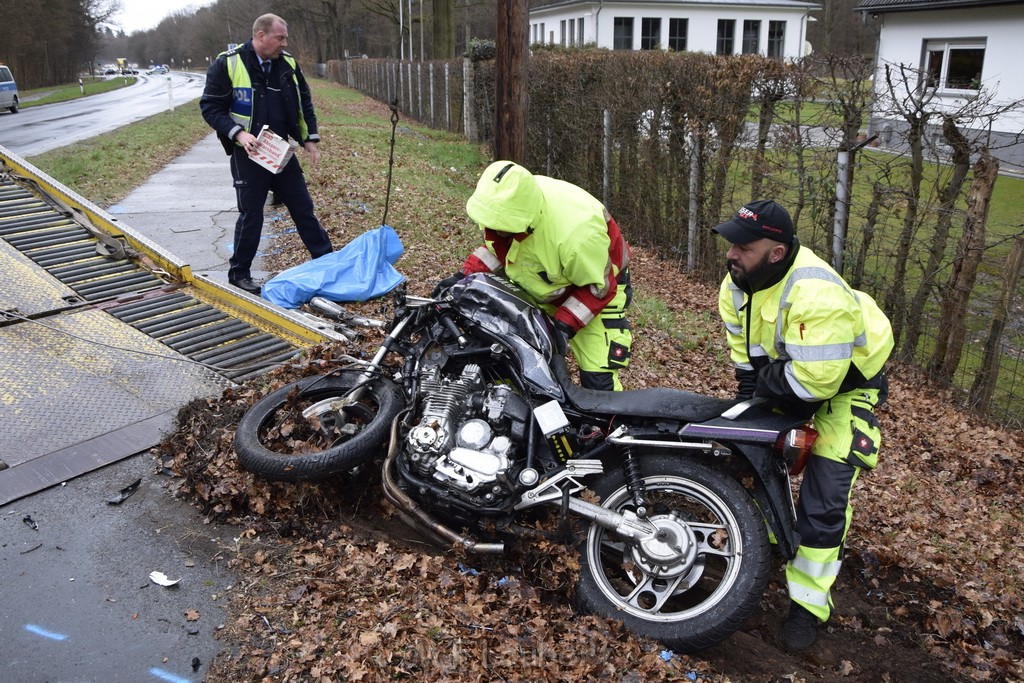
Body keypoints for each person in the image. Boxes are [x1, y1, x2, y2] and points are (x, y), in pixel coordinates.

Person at [711, 199, 894, 653]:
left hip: (846, 382)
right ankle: (766, 534)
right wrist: (749, 410)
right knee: (752, 453)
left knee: (825, 498)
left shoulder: (817, 294)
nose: (731, 253)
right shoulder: (736, 283)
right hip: (793, 374)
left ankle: (808, 606)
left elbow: (813, 386)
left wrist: (769, 383)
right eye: (731, 242)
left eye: (744, 246)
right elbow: (746, 362)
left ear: (776, 252)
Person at [436, 161, 633, 391]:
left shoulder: (577, 236)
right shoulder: (508, 200)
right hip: (540, 283)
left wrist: (562, 326)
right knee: (514, 363)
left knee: (598, 382)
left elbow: (599, 288)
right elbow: (498, 249)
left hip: (595, 289)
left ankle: (609, 426)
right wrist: (462, 276)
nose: (492, 229)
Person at [200, 13, 333, 293]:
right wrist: (238, 133)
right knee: (252, 214)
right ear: (261, 36)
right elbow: (211, 107)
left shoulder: (287, 64)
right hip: (248, 152)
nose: (284, 44)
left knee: (302, 207)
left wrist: (308, 138)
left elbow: (302, 102)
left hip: (279, 150)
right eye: (280, 38)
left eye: (285, 38)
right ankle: (240, 273)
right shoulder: (228, 63)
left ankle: (326, 262)